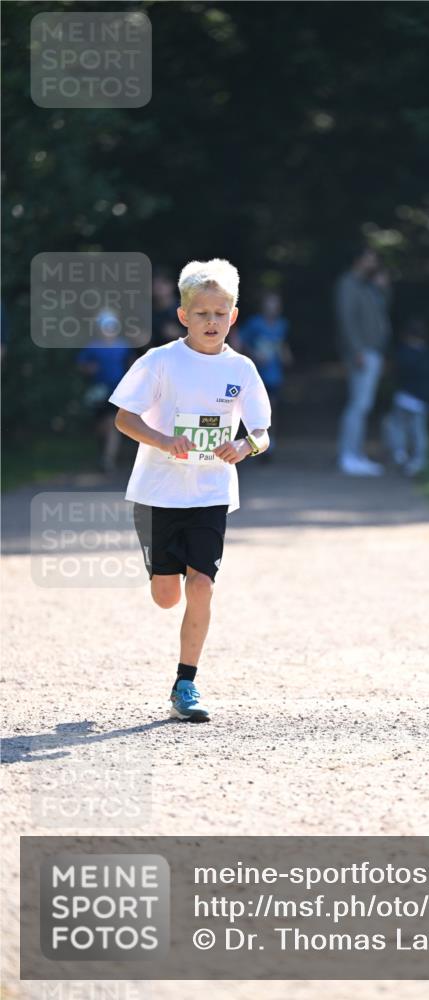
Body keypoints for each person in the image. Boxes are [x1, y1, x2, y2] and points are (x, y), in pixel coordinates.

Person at [109, 258, 271, 723]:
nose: (212, 322)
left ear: (233, 316)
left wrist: (247, 446)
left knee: (200, 585)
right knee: (166, 595)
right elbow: (124, 416)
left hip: (210, 493)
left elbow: (262, 430)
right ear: (184, 316)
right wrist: (164, 441)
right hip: (158, 492)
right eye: (202, 313)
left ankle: (186, 683)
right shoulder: (160, 361)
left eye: (221, 313)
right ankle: (166, 571)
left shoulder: (241, 368)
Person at [335, 247, 391, 476]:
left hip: (373, 351)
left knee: (363, 405)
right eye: (368, 259)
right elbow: (346, 319)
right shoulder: (348, 284)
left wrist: (384, 289)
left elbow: (382, 312)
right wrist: (356, 350)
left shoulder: (369, 285)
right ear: (358, 260)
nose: (372, 263)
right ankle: (348, 456)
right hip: (362, 353)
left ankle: (356, 454)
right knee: (358, 405)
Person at [77, 310, 135, 474]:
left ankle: (108, 459)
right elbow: (82, 365)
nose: (109, 330)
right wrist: (88, 369)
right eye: (105, 326)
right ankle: (104, 454)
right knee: (101, 426)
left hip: (117, 391)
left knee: (112, 423)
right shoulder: (93, 346)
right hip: (98, 392)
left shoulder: (123, 345)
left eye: (112, 326)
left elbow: (132, 363)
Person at [238, 291, 292, 456]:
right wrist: (254, 355)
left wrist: (286, 355)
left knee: (271, 408)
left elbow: (281, 344)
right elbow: (241, 341)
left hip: (274, 375)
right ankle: (245, 443)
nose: (272, 307)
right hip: (256, 375)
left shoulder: (282, 324)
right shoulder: (254, 323)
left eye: (276, 303)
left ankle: (268, 443)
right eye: (269, 303)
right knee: (248, 409)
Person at [382, 319, 429, 476]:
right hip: (421, 400)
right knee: (418, 431)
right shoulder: (427, 355)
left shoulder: (404, 353)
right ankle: (419, 459)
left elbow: (397, 373)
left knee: (397, 426)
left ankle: (400, 453)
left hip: (405, 398)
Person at [151, 268, 182, 348]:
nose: (158, 287)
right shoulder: (147, 311)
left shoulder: (185, 309)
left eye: (163, 283)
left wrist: (180, 334)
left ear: (172, 285)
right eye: (155, 283)